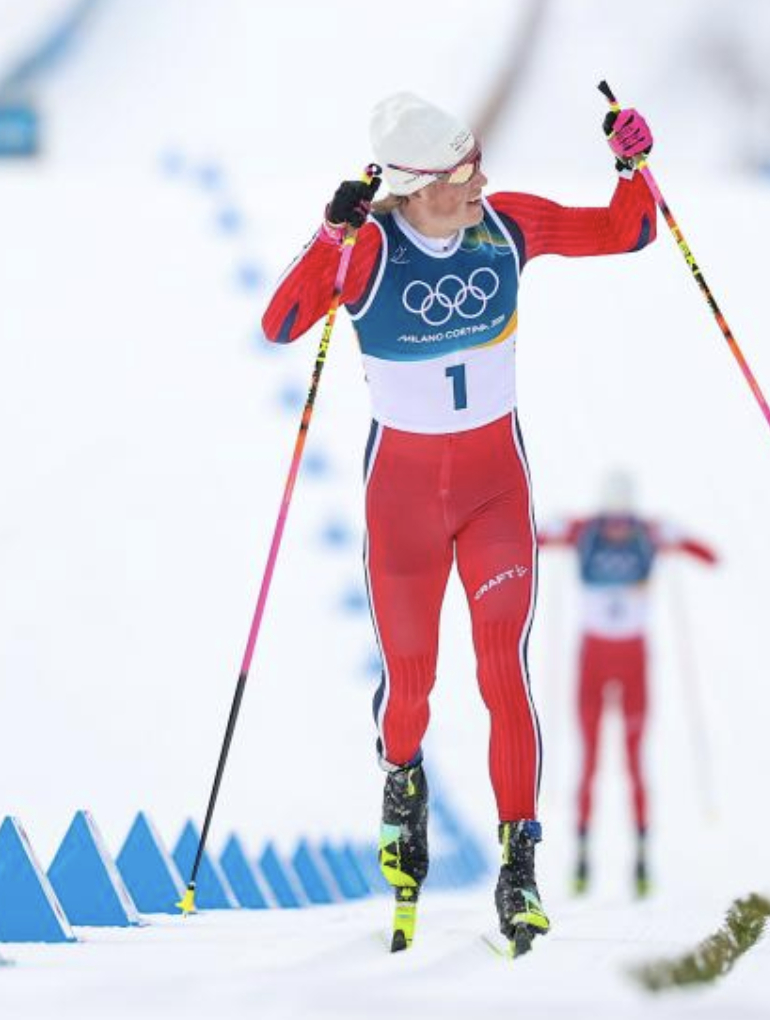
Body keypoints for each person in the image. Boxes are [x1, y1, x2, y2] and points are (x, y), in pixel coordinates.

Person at [260, 91, 657, 955]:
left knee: (501, 674)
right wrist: (329, 238)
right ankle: (402, 783)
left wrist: (633, 165)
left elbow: (628, 232)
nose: (483, 178)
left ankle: (520, 869)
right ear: (413, 186)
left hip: (493, 497)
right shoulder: (368, 253)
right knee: (412, 688)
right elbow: (282, 321)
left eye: (480, 158)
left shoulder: (505, 227)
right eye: (463, 169)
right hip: (402, 505)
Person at [538, 470, 718, 899]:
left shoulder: (646, 533)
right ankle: (582, 854)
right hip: (596, 661)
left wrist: (679, 536)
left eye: (623, 520)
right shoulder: (593, 531)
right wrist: (550, 526)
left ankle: (640, 856)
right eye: (612, 519)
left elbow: (709, 556)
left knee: (634, 760)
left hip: (629, 660)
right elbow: (534, 537)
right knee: (591, 761)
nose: (618, 529)